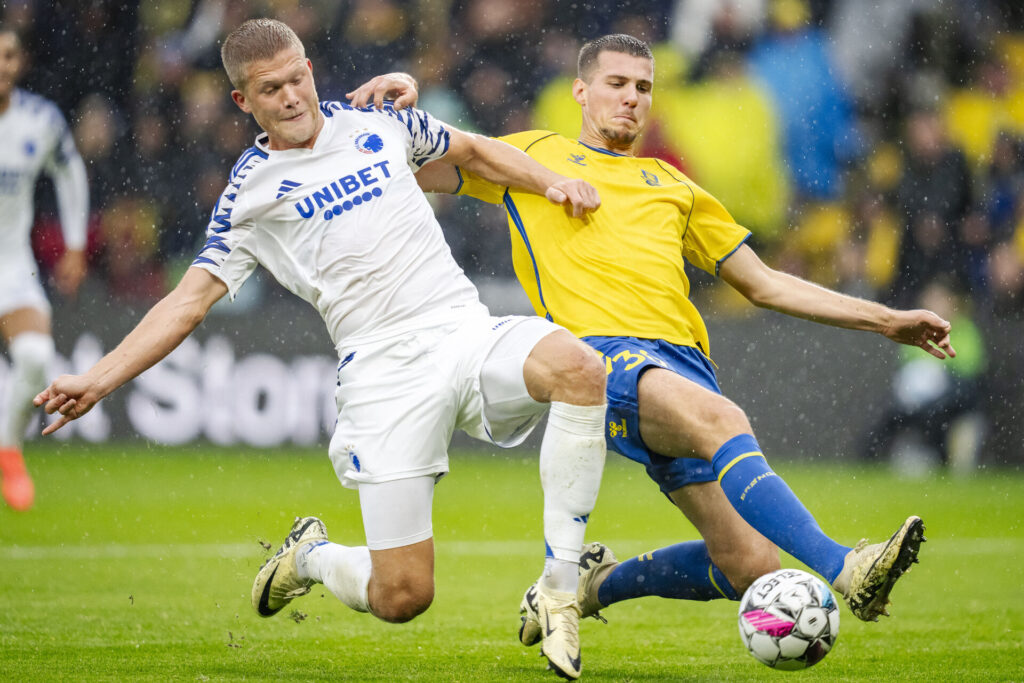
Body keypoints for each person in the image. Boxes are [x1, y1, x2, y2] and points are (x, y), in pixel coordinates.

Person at [33, 19, 608, 680]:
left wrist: (550, 183)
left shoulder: (377, 122)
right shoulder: (249, 193)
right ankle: (309, 556)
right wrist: (100, 378)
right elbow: (188, 301)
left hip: (463, 329)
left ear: (310, 68)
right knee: (402, 596)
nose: (291, 96)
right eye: (270, 88)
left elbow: (474, 151)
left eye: (297, 77)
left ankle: (560, 589)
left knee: (579, 367)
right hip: (383, 376)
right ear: (243, 102)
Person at [351, 33, 951, 637]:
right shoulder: (533, 156)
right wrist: (394, 112)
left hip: (685, 368)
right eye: (616, 84)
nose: (632, 99)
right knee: (724, 423)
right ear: (580, 92)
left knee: (748, 563)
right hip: (603, 361)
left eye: (643, 87)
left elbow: (765, 284)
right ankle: (847, 567)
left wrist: (887, 320)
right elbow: (406, 169)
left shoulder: (675, 185)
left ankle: (595, 584)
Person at [0, 24, 88, 511]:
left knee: (35, 357)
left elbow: (70, 171)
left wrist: (75, 246)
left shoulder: (40, 120)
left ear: (19, 62)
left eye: (9, 55)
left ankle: (8, 447)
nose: (1, 65)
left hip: (10, 264)